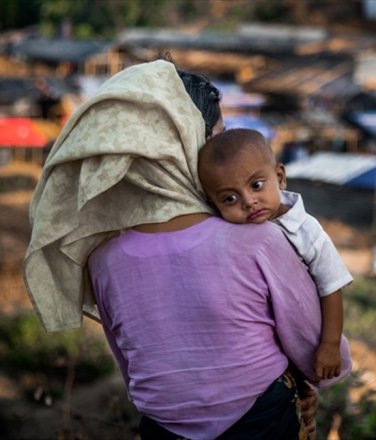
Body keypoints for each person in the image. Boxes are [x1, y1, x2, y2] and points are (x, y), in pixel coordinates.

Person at [24, 59, 351, 439]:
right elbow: (309, 339)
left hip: (162, 427)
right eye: (213, 138)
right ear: (180, 144)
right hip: (260, 418)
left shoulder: (102, 261)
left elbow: (132, 362)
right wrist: (314, 380)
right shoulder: (256, 238)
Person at [198, 128, 353, 382]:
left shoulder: (306, 230)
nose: (248, 201)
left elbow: (332, 286)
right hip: (261, 352)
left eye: (256, 185)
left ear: (280, 177)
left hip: (309, 343)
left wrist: (330, 345)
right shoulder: (227, 236)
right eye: (229, 198)